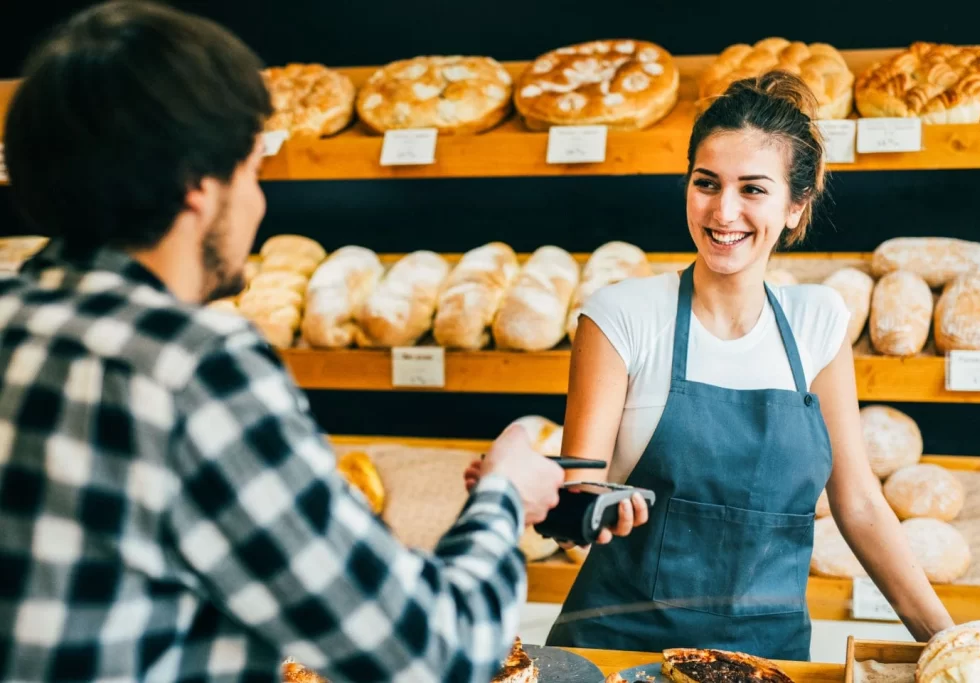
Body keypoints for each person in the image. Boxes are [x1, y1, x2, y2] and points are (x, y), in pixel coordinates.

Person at [0, 2, 565, 681]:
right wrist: (504, 495)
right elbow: (431, 647)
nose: (260, 205)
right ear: (199, 187)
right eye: (252, 171)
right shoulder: (192, 367)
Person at [538, 72, 955, 659]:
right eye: (706, 183)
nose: (723, 211)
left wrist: (950, 641)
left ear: (795, 205)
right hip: (619, 649)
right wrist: (581, 504)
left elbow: (857, 503)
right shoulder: (621, 316)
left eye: (753, 189)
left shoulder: (818, 322)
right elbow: (580, 487)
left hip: (766, 658)